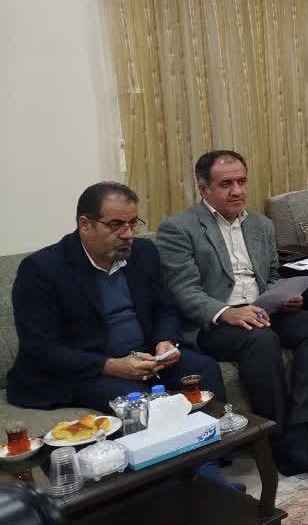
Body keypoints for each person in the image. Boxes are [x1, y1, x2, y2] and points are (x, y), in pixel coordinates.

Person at [7, 182, 235, 489]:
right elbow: (41, 348)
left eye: (132, 223)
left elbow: (165, 307)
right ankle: (188, 485)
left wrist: (165, 342)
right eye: (116, 225)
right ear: (85, 225)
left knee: (202, 369)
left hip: (144, 357)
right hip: (83, 370)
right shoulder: (42, 269)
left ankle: (208, 462)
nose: (128, 234)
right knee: (135, 401)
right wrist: (112, 365)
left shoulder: (143, 253)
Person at [156, 150, 308, 476]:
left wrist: (284, 295)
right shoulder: (179, 229)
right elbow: (183, 291)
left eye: (241, 182)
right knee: (261, 340)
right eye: (226, 184)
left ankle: (299, 424)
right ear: (204, 189)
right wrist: (226, 312)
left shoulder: (261, 225)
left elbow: (271, 275)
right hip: (214, 324)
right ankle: (276, 437)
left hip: (262, 309)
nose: (237, 191)